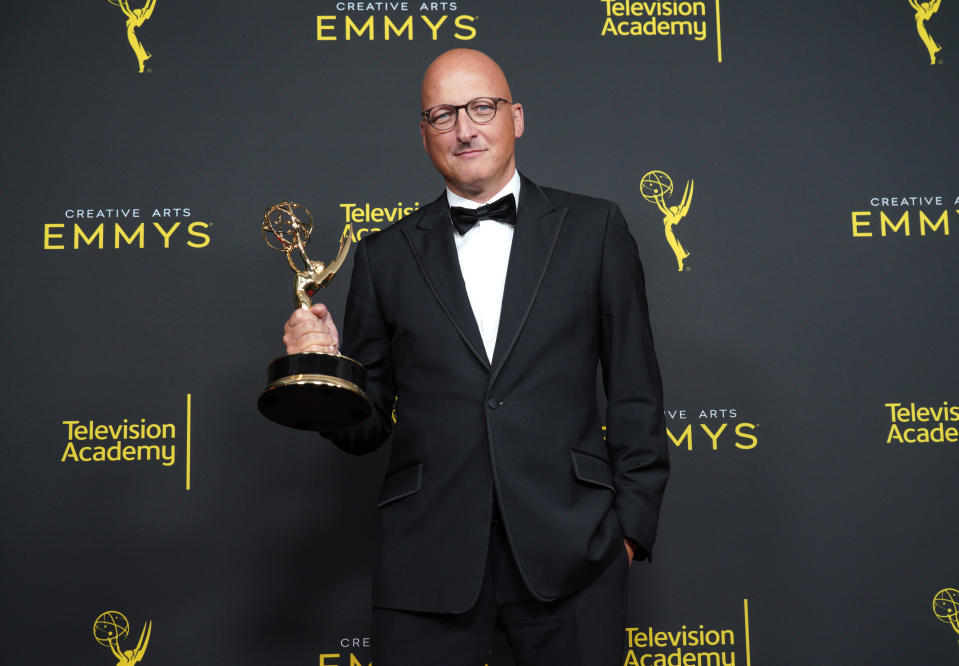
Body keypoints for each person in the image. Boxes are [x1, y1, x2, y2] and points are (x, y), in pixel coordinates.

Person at [282, 48, 668, 666]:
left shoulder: (596, 229)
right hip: (425, 560)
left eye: (481, 108)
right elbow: (368, 425)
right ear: (424, 134)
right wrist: (325, 374)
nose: (465, 129)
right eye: (443, 115)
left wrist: (628, 531)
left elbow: (636, 391)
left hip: (575, 553)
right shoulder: (383, 257)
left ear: (516, 117)